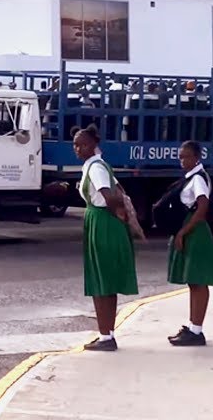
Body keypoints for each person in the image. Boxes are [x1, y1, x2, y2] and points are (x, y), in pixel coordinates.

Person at [74, 125, 138, 351]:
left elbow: (108, 195)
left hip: (102, 221)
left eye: (82, 144)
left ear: (93, 145)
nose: (78, 149)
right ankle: (106, 334)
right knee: (104, 280)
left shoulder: (95, 168)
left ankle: (106, 336)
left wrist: (117, 212)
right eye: (75, 145)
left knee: (101, 281)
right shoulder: (96, 165)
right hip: (101, 220)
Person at [166, 140, 213, 347]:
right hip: (190, 229)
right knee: (193, 281)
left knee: (198, 280)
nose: (182, 160)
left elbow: (202, 208)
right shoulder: (190, 177)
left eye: (187, 156)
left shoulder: (198, 179)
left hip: (195, 231)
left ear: (197, 157)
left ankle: (197, 330)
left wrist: (183, 232)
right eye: (180, 157)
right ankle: (192, 327)